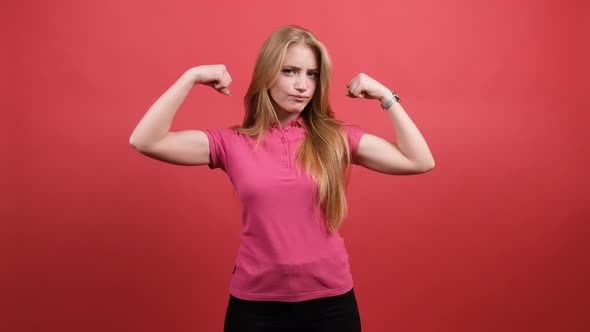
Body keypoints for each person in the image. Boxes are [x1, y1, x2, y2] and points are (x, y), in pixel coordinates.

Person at [129, 25, 434, 332]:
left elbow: (419, 160)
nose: (302, 84)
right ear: (267, 74)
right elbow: (146, 141)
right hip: (256, 306)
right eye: (290, 71)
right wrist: (190, 77)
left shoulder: (336, 139)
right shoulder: (232, 143)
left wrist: (386, 96)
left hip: (330, 303)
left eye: (311, 74)